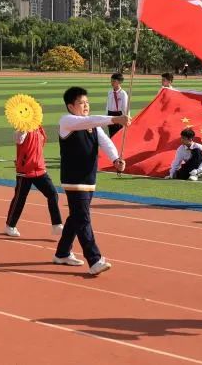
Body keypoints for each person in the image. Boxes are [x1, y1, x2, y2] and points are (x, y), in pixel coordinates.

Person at [55, 87, 128, 276]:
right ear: (71, 106)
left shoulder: (94, 126)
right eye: (81, 103)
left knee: (76, 216)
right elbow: (90, 120)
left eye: (87, 102)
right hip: (73, 179)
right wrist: (115, 119)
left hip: (89, 178)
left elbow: (106, 142)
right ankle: (95, 259)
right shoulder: (66, 121)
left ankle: (62, 253)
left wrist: (115, 159)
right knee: (83, 217)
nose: (85, 105)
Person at [4, 124, 63, 238]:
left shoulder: (40, 129)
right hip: (25, 171)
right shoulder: (22, 129)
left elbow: (40, 146)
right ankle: (10, 226)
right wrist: (24, 127)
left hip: (40, 169)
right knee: (20, 199)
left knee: (52, 194)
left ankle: (56, 225)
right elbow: (18, 139)